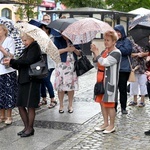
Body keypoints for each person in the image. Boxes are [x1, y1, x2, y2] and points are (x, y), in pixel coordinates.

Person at [3, 33, 41, 137]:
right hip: (23, 79)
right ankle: (26, 127)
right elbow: (21, 63)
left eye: (25, 40)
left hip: (31, 80)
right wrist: (11, 63)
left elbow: (28, 61)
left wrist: (13, 61)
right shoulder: (27, 48)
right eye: (23, 41)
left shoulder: (35, 47)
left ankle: (30, 128)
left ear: (32, 38)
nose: (24, 43)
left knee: (30, 106)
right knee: (20, 104)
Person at [91, 30, 121, 134]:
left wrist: (97, 54)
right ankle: (105, 123)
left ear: (113, 41)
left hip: (109, 83)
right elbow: (97, 65)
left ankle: (112, 125)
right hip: (100, 81)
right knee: (102, 103)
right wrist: (95, 56)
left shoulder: (116, 53)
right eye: (105, 40)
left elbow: (105, 62)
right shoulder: (105, 51)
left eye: (108, 40)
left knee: (109, 104)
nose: (105, 42)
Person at [54, 35, 81, 113]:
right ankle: (61, 105)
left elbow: (79, 53)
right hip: (61, 65)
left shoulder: (74, 39)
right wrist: (66, 49)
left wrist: (74, 49)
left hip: (72, 66)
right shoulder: (57, 39)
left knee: (71, 86)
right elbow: (55, 52)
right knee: (61, 86)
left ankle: (70, 105)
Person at [0, 24, 17, 125]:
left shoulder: (9, 40)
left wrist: (2, 49)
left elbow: (11, 55)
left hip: (8, 71)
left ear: (4, 31)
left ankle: (9, 116)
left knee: (8, 93)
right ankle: (2, 115)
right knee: (0, 94)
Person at [114, 24, 133, 114]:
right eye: (115, 32)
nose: (117, 34)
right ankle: (113, 107)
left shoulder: (127, 41)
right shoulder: (112, 41)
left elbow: (127, 51)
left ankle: (123, 107)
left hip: (124, 69)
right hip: (114, 68)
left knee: (123, 89)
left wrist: (118, 45)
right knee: (113, 90)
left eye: (119, 32)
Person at [38, 23, 57, 108]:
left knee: (46, 80)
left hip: (49, 63)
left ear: (47, 29)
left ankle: (52, 99)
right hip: (41, 62)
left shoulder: (52, 38)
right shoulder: (39, 38)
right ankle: (44, 98)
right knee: (41, 80)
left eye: (43, 29)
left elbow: (47, 50)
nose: (42, 30)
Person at [128, 41, 148, 107]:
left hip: (143, 67)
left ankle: (142, 100)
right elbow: (129, 53)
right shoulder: (131, 43)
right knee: (134, 84)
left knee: (143, 84)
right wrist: (137, 54)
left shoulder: (146, 44)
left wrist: (143, 54)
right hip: (134, 67)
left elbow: (148, 53)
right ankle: (135, 100)